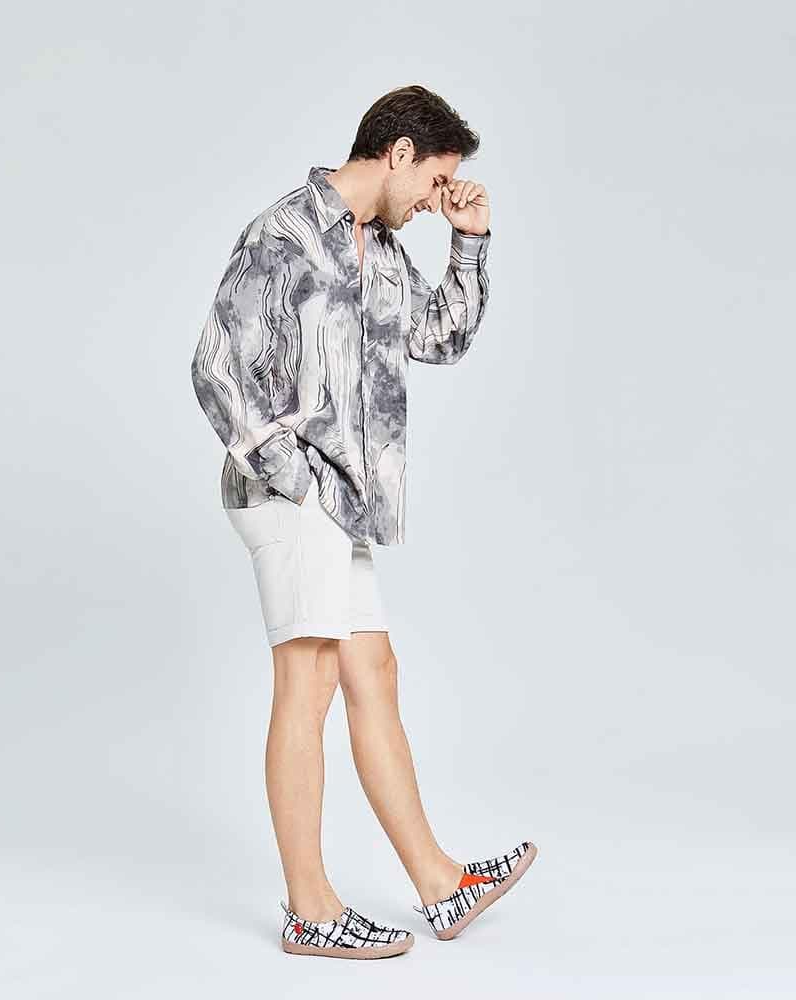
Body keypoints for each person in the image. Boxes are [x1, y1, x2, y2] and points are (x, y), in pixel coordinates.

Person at [190, 85, 537, 959]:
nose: (434, 199)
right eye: (436, 182)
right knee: (306, 683)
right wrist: (293, 475)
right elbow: (214, 367)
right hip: (292, 495)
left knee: (373, 672)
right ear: (398, 153)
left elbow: (441, 336)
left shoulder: (380, 250)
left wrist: (469, 240)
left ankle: (441, 885)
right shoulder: (283, 233)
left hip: (343, 503)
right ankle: (310, 909)